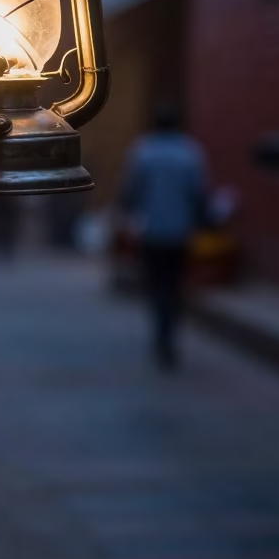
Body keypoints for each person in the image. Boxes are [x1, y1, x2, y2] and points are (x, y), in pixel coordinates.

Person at [119, 105, 208, 368]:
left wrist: (126, 214)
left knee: (156, 284)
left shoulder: (143, 152)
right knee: (175, 284)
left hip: (152, 231)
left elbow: (130, 190)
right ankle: (170, 333)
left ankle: (161, 334)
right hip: (180, 231)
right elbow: (199, 193)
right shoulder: (190, 153)